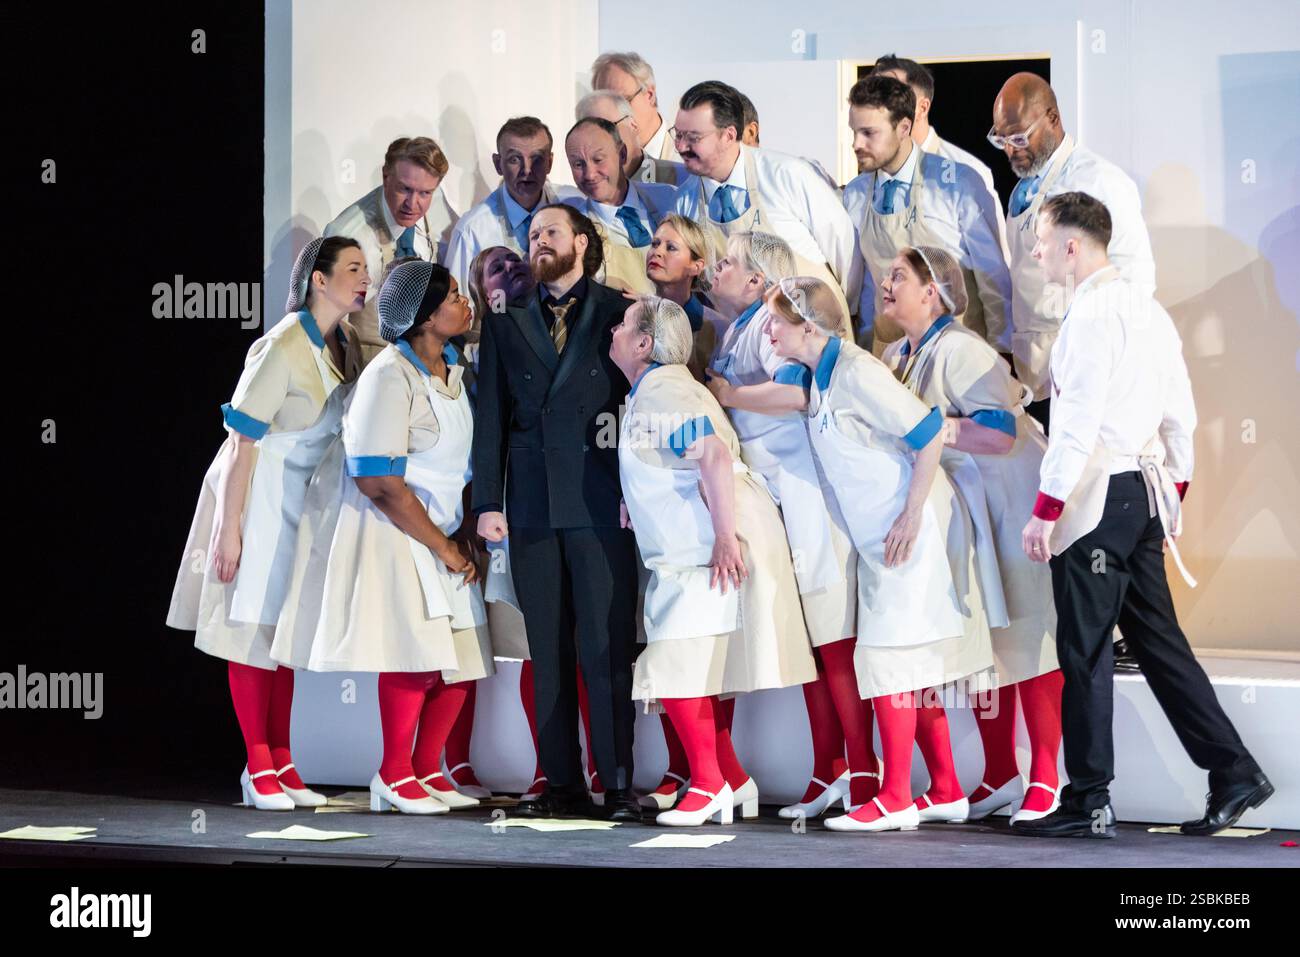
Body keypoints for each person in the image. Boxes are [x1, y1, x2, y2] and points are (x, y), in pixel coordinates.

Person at [1016, 192, 1271, 838]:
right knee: (1157, 644)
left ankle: (1088, 798)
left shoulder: (1091, 317)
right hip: (1142, 495)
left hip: (1096, 499)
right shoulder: (1149, 312)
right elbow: (1180, 415)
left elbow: (1074, 427)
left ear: (1073, 245)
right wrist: (1172, 498)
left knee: (1086, 649)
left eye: (1042, 240)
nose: (1037, 251)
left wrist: (1045, 511)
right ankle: (1233, 769)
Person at [766, 276, 996, 833]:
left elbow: (928, 432)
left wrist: (911, 516)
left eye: (778, 320)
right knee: (907, 664)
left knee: (890, 661)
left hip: (907, 529)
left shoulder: (858, 373)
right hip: (881, 536)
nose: (768, 329)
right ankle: (943, 788)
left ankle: (894, 797)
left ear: (810, 328)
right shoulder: (819, 379)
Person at [270, 260, 495, 814]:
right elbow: (377, 481)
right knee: (414, 658)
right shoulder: (388, 376)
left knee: (465, 661)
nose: (466, 305)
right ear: (423, 316)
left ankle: (426, 769)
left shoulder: (457, 373)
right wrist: (440, 546)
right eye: (453, 299)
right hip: (396, 530)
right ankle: (393, 776)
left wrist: (462, 534)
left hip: (442, 531)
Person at [166, 237, 367, 810]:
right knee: (250, 633)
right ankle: (257, 766)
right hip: (256, 496)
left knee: (283, 635)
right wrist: (228, 530)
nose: (364, 279)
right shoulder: (279, 347)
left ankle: (283, 759)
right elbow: (241, 443)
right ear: (318, 281)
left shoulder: (341, 344)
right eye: (352, 269)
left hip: (298, 504)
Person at [612, 296, 816, 825]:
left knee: (675, 669)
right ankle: (731, 778)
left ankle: (707, 785)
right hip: (694, 545)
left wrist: (725, 536)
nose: (613, 330)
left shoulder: (663, 389)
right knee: (692, 670)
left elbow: (713, 454)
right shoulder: (655, 391)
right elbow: (670, 459)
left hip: (706, 546)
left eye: (624, 325)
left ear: (643, 344)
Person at [880, 245, 1064, 824]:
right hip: (968, 511)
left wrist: (925, 431)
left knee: (1029, 638)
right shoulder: (896, 353)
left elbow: (1000, 434)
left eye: (899, 277)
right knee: (989, 646)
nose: (885, 284)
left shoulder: (961, 350)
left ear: (933, 291)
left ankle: (1046, 778)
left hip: (1011, 503)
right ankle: (1000, 773)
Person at [472, 204, 643, 822]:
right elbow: (490, 415)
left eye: (550, 232)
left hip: (603, 502)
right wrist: (488, 500)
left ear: (581, 241)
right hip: (533, 505)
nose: (538, 242)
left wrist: (639, 493)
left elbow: (640, 410)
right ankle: (562, 783)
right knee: (548, 650)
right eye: (532, 234)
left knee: (606, 645)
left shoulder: (621, 312)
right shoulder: (505, 319)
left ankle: (618, 784)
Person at [704, 233, 881, 819]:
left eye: (727, 263)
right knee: (811, 646)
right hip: (778, 499)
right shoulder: (739, 327)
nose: (715, 268)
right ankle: (828, 769)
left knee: (833, 642)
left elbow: (797, 391)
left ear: (758, 280)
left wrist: (731, 394)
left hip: (808, 498)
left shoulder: (768, 326)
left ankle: (862, 773)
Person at [990, 73, 1156, 432]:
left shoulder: (1098, 181)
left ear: (1052, 118)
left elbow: (1135, 279)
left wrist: (1106, 365)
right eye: (1001, 139)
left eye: (1019, 137)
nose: (1010, 149)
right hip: (1032, 372)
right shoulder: (1022, 189)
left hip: (1084, 368)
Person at [844, 75, 1010, 357]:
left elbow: (992, 276)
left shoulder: (956, 183)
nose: (856, 143)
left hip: (957, 354)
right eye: (854, 131)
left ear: (904, 127)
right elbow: (867, 287)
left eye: (869, 133)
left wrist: (1003, 353)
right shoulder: (856, 193)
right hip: (889, 356)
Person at [671, 81, 859, 329]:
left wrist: (853, 318)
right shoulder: (686, 202)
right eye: (678, 134)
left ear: (728, 135)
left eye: (693, 138)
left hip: (817, 334)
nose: (681, 147)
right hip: (746, 346)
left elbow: (844, 248)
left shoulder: (787, 175)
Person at [871, 54, 1010, 303]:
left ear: (922, 107)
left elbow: (994, 275)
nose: (879, 105)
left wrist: (998, 343)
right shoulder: (868, 180)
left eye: (891, 95)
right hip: (887, 338)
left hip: (955, 332)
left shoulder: (964, 173)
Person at [325, 137, 457, 366]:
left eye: (425, 193)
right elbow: (328, 328)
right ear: (386, 177)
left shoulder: (426, 212)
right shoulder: (349, 236)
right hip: (369, 363)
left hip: (417, 358)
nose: (413, 204)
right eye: (405, 189)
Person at [444, 117, 576, 295]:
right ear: (498, 164)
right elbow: (458, 306)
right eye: (515, 159)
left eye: (537, 159)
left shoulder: (575, 208)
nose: (527, 170)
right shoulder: (471, 231)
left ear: (550, 163)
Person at [562, 117, 677, 295]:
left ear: (622, 154)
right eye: (578, 164)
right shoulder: (573, 229)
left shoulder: (669, 199)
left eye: (598, 159)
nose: (590, 174)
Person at [641, 214, 729, 384]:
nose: (657, 252)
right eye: (655, 244)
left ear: (696, 266)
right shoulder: (633, 316)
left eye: (671, 248)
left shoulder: (719, 328)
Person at [591, 51, 682, 166]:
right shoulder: (597, 163)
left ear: (650, 95)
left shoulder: (687, 156)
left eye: (622, 102)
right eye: (604, 106)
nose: (612, 115)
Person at [576, 90, 684, 185]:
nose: (601, 140)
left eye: (608, 127)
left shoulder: (680, 180)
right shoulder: (586, 193)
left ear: (633, 125)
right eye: (591, 133)